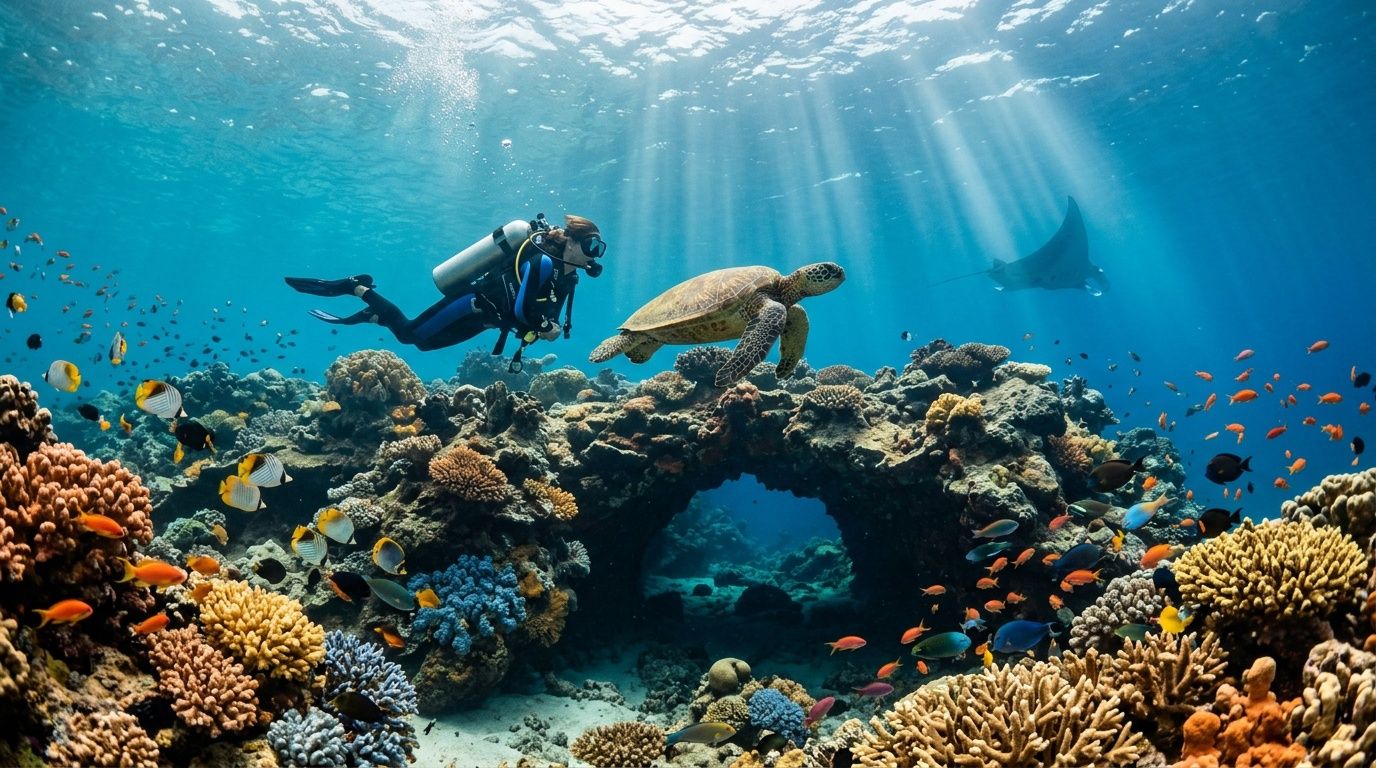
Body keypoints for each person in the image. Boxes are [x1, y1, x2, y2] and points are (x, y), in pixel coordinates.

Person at [285, 213, 605, 369]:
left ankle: (376, 315)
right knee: (410, 334)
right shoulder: (544, 263)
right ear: (573, 242)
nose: (595, 253)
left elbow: (543, 312)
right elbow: (522, 309)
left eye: (599, 248)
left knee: (423, 346)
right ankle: (356, 288)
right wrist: (541, 327)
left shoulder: (569, 279)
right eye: (591, 244)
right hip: (470, 304)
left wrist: (548, 326)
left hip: (487, 320)